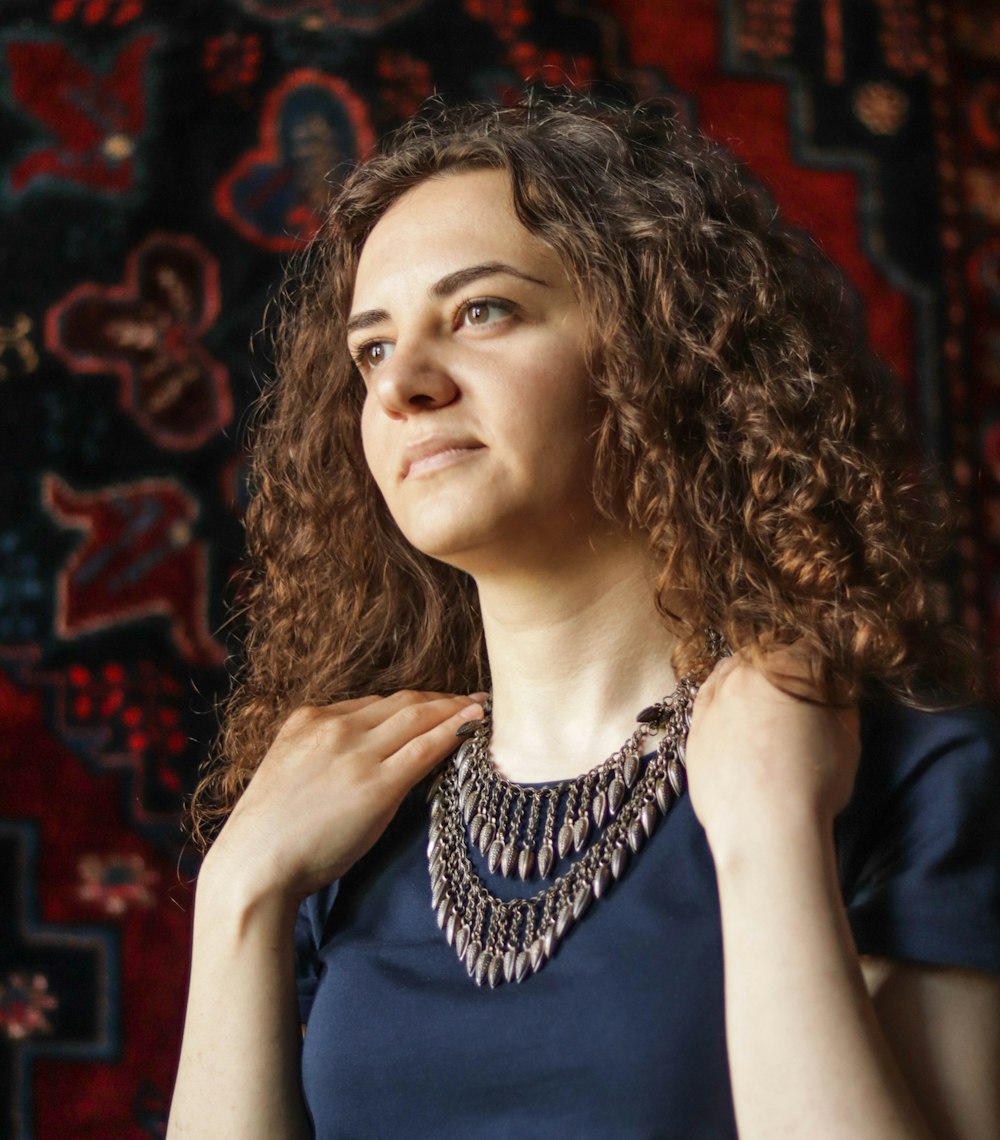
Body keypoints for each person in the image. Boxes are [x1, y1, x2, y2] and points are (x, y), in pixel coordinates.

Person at [167, 91, 1000, 1139]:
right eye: (372, 349)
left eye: (481, 312)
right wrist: (239, 895)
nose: (403, 386)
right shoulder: (331, 825)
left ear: (658, 348)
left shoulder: (902, 776)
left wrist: (768, 836)